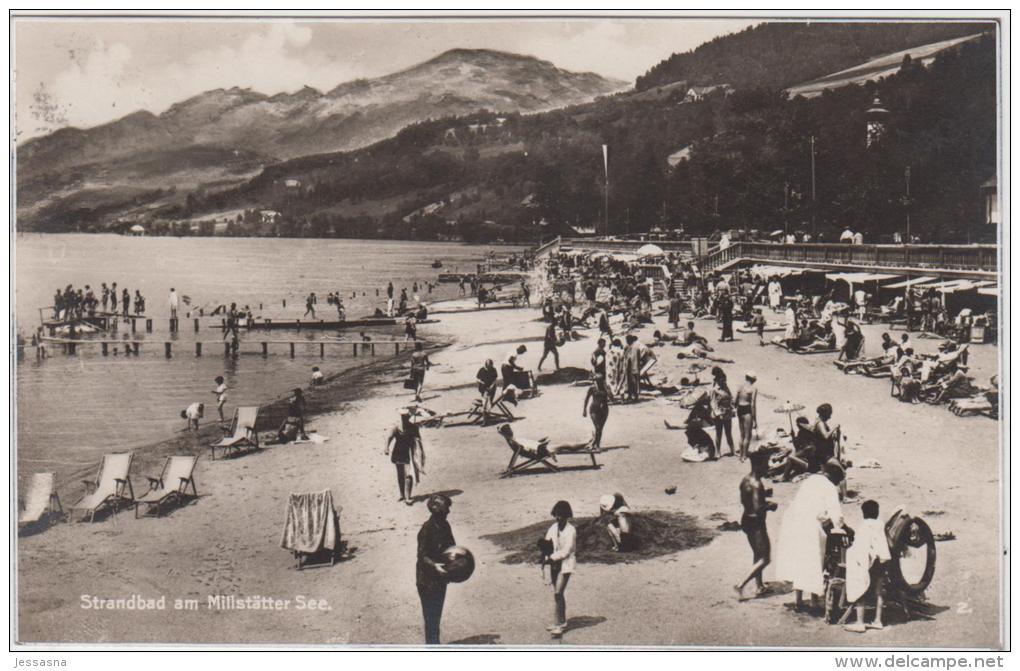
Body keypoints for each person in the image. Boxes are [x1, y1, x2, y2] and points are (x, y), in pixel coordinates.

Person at [775, 459, 847, 610]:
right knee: (815, 562)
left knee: (799, 562)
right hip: (810, 527)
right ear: (834, 478)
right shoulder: (829, 487)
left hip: (794, 522)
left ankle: (799, 601)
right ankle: (814, 601)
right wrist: (841, 527)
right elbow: (836, 515)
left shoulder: (811, 479)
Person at [735, 445, 778, 598]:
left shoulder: (745, 480)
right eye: (766, 464)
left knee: (757, 553)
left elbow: (744, 500)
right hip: (756, 523)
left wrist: (763, 495)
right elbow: (758, 508)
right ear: (759, 465)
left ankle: (759, 586)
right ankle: (741, 584)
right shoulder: (756, 484)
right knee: (765, 558)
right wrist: (770, 506)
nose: (767, 467)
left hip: (746, 519)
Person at [844, 499, 891, 633]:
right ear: (877, 512)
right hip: (881, 560)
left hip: (868, 560)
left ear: (863, 513)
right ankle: (878, 620)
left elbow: (859, 546)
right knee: (879, 590)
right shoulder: (880, 524)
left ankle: (860, 622)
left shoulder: (864, 525)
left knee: (861, 584)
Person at [416, 493, 455, 644]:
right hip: (426, 579)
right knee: (431, 617)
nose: (448, 512)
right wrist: (435, 565)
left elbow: (452, 546)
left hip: (440, 577)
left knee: (436, 616)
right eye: (446, 509)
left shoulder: (445, 526)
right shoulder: (427, 529)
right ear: (437, 510)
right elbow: (422, 556)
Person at [545, 500, 576, 638]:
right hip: (554, 564)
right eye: (557, 515)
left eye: (561, 516)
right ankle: (561, 621)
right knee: (558, 595)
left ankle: (558, 625)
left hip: (566, 564)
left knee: (558, 592)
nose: (558, 518)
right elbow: (547, 543)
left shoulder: (571, 530)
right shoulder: (553, 527)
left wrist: (552, 557)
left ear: (567, 516)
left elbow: (567, 550)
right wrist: (545, 555)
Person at [385, 409, 424, 505]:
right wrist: (386, 448)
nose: (404, 418)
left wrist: (415, 438)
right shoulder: (395, 427)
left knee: (409, 475)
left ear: (409, 417)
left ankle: (407, 497)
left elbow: (418, 440)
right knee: (400, 475)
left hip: (409, 452)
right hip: (398, 452)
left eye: (406, 417)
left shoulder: (413, 427)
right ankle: (402, 494)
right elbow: (389, 437)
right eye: (402, 417)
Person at [710, 367, 736, 457]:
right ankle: (718, 452)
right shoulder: (715, 389)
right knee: (719, 433)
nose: (724, 381)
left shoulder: (726, 387)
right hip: (719, 414)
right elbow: (713, 403)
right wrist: (718, 414)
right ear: (718, 379)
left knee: (729, 433)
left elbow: (730, 398)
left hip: (727, 413)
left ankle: (733, 450)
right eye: (722, 379)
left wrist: (733, 405)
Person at [582, 374, 610, 450]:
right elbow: (586, 399)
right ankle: (596, 445)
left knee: (600, 428)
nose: (600, 383)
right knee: (597, 427)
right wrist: (584, 410)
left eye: (601, 381)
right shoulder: (592, 388)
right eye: (598, 381)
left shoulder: (606, 388)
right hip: (594, 410)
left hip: (604, 409)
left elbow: (611, 397)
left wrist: (607, 389)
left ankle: (596, 443)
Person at [735, 371, 758, 462]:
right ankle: (744, 456)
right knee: (748, 435)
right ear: (753, 380)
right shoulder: (753, 388)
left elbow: (735, 401)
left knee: (742, 434)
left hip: (740, 410)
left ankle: (741, 454)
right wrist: (755, 419)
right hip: (748, 410)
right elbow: (753, 405)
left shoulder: (740, 386)